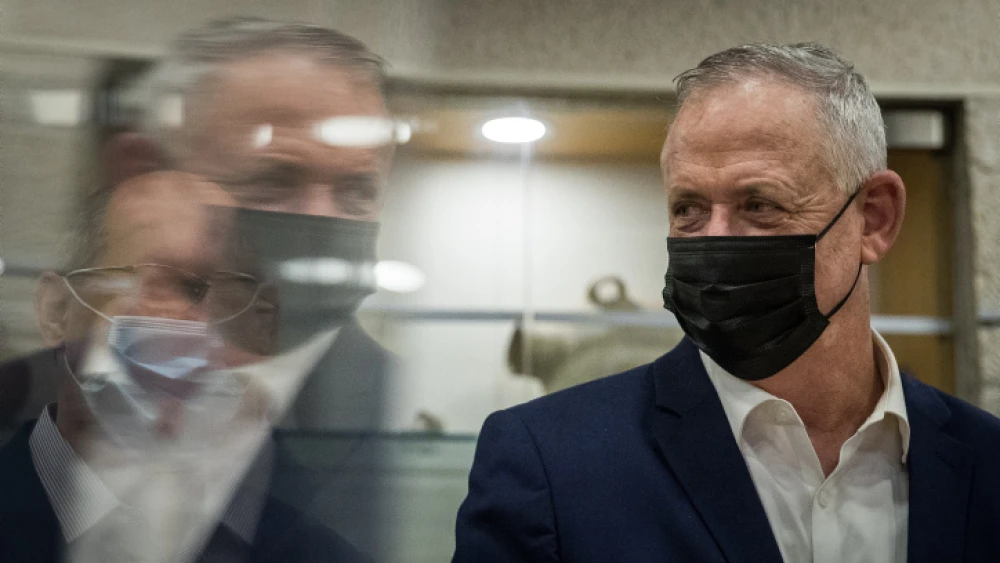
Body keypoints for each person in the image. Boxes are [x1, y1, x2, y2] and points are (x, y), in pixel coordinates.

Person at [453, 43, 1000, 563]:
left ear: (874, 219)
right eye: (688, 209)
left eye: (759, 204)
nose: (714, 244)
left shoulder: (986, 461)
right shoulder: (551, 463)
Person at [0, 16, 400, 562]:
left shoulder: (394, 408)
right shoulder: (38, 393)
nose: (321, 221)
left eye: (357, 191)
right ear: (144, 173)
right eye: (274, 181)